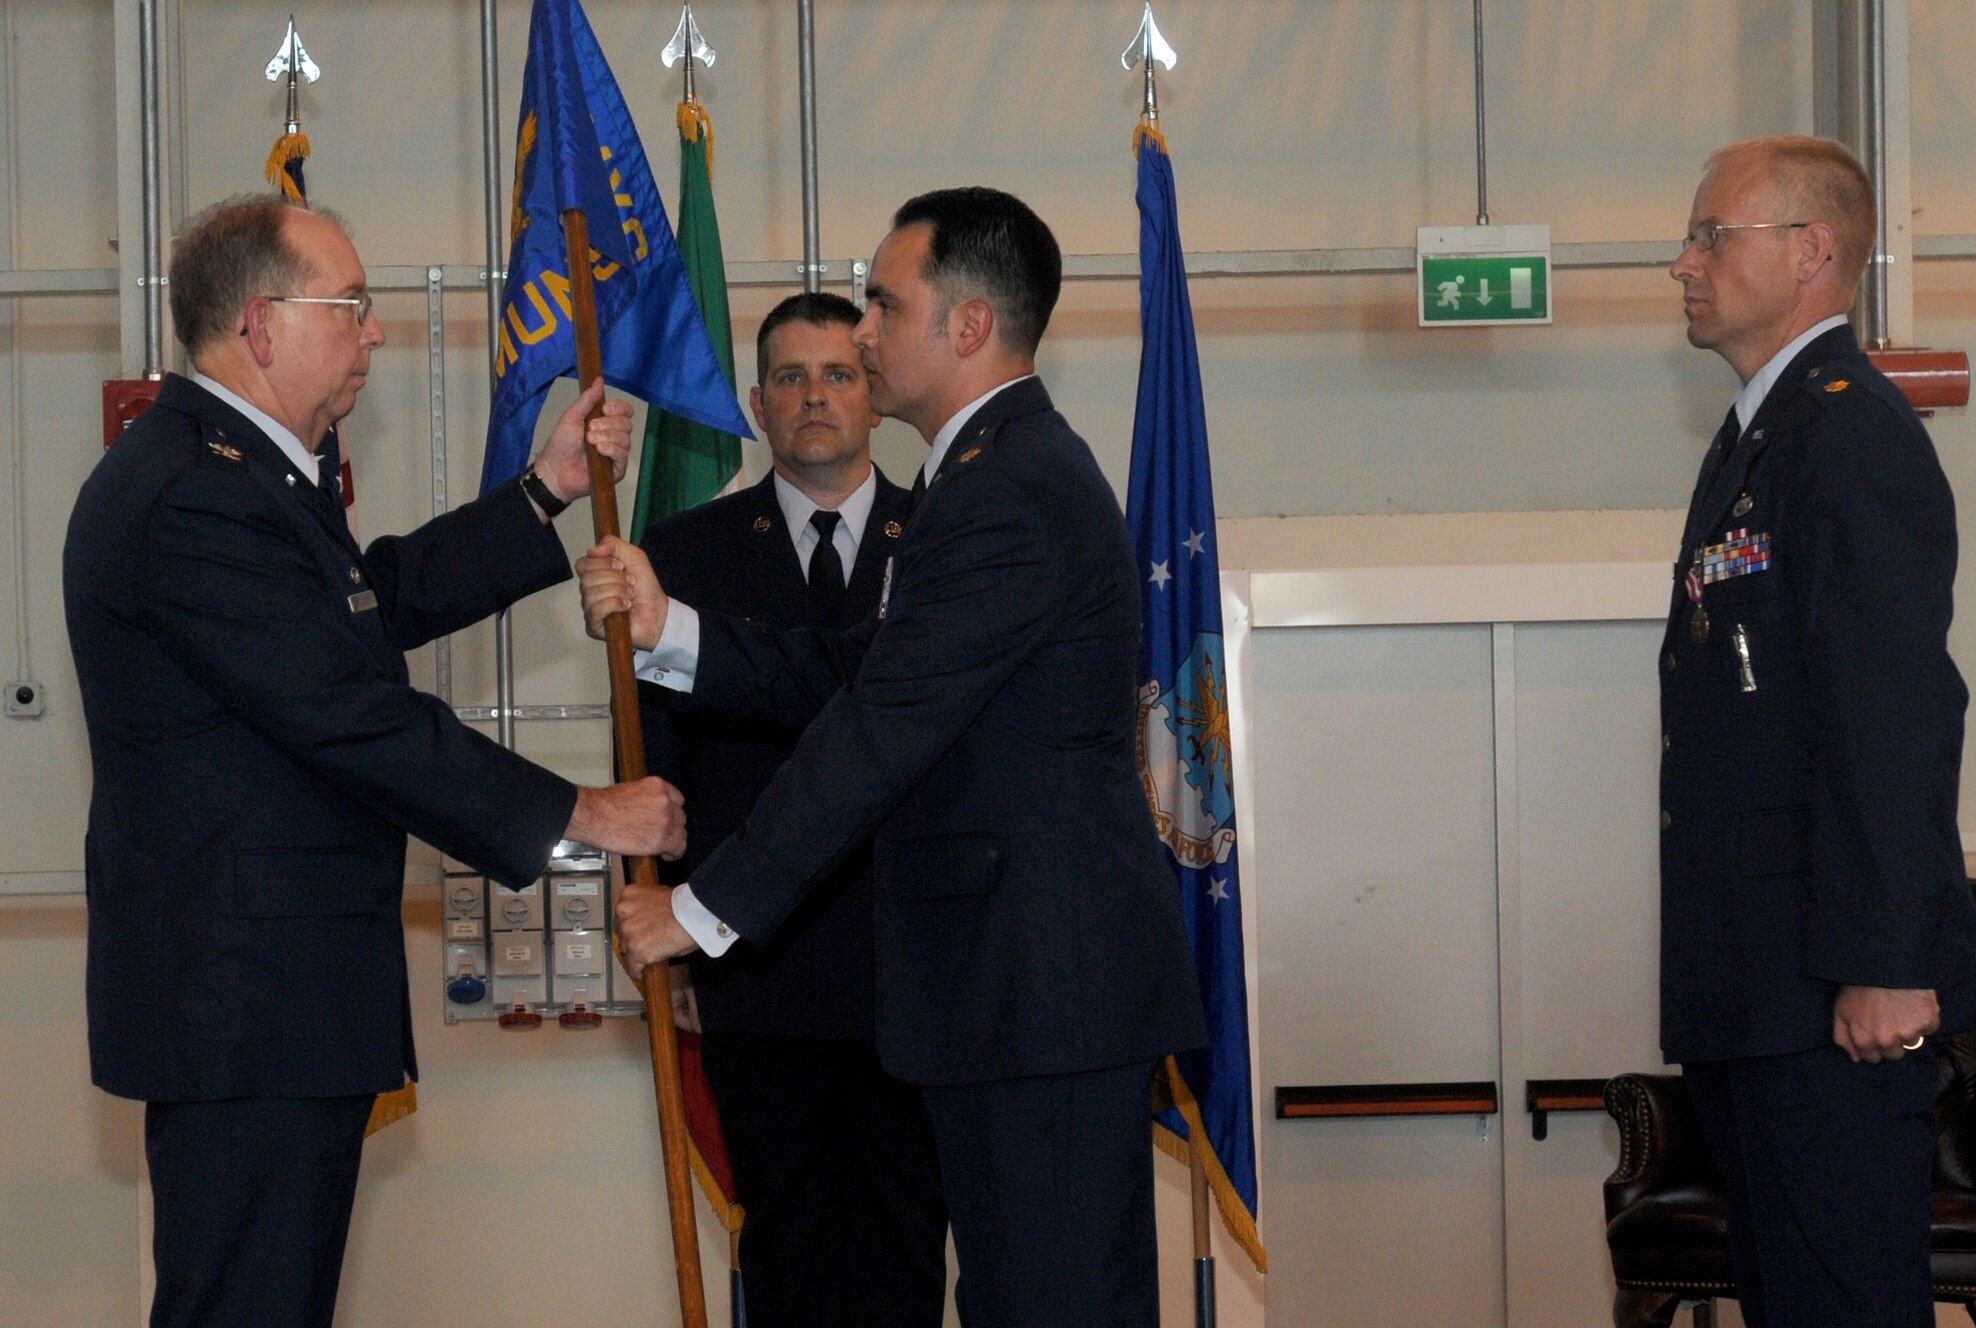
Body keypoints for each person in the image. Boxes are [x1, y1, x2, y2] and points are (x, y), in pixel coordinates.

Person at [581, 187, 1205, 1327]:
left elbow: (878, 730)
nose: (862, 332)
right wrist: (674, 628)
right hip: (1016, 1004)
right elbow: (864, 674)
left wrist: (702, 911)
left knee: (1050, 1305)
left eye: (882, 303)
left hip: (1037, 1003)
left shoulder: (1003, 490)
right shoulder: (990, 476)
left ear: (967, 325)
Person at [62, 195, 684, 1328]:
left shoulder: (242, 470)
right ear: (261, 325)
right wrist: (584, 813)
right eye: (349, 306)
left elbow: (364, 608)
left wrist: (541, 491)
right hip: (247, 1006)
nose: (375, 332)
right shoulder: (196, 492)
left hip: (272, 999)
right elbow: (349, 713)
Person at [1658, 136, 1976, 1328]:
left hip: (1829, 995)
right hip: (1762, 983)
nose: (1681, 262)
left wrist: (1888, 958)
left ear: (1809, 251)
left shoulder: (1847, 435)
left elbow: (1893, 709)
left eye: (1710, 236)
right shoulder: (1764, 434)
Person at [637, 291, 944, 1327]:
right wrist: (675, 938)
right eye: (790, 377)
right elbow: (656, 766)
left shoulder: (939, 540)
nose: (815, 396)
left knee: (907, 1240)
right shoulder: (683, 555)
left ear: (875, 395)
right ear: (755, 402)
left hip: (912, 964)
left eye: (839, 374)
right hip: (754, 963)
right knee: (784, 1245)